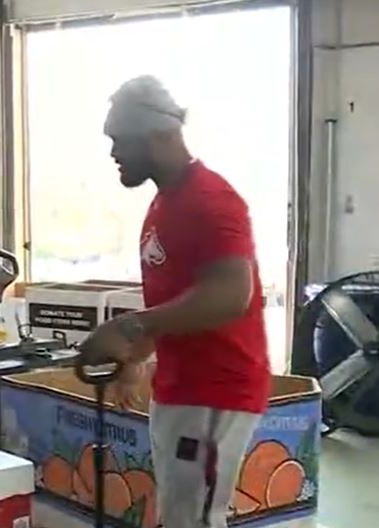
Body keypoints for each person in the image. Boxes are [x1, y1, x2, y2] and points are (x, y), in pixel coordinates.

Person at [76, 75, 271, 528]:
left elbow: (230, 294)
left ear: (159, 136)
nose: (113, 153)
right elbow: (175, 302)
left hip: (216, 392)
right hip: (181, 388)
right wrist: (135, 357)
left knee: (195, 519)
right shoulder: (165, 204)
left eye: (120, 140)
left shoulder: (213, 201)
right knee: (180, 512)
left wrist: (129, 328)